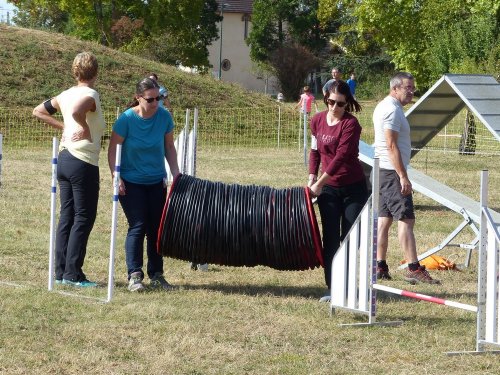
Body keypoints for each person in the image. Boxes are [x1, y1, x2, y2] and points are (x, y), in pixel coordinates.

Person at [32, 51, 105, 287]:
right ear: (95, 72)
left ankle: (60, 272)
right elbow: (77, 110)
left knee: (67, 216)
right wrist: (80, 124)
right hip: (82, 161)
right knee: (83, 217)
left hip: (64, 158)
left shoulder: (65, 94)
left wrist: (63, 126)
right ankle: (74, 274)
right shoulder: (91, 93)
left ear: (75, 72)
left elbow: (38, 110)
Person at [108, 77, 180, 292]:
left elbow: (169, 146)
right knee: (138, 225)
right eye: (150, 99)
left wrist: (175, 173)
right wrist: (116, 175)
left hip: (157, 181)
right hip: (130, 182)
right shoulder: (126, 119)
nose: (155, 103)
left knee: (156, 228)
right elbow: (113, 149)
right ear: (138, 98)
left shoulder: (164, 117)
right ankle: (134, 275)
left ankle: (157, 274)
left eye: (158, 98)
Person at [373, 72, 440, 285]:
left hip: (383, 170)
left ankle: (379, 266)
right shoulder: (392, 110)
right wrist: (403, 176)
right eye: (407, 88)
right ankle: (413, 268)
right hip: (392, 172)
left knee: (385, 219)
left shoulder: (386, 106)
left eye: (412, 87)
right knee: (406, 219)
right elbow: (391, 144)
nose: (411, 91)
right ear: (395, 88)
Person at [308, 80, 368, 302]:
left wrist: (319, 182)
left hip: (353, 188)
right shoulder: (316, 120)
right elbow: (315, 152)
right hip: (329, 191)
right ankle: (333, 288)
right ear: (326, 99)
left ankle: (349, 286)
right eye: (331, 102)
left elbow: (341, 159)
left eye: (340, 104)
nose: (334, 107)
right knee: (330, 238)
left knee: (350, 238)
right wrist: (312, 177)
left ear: (347, 104)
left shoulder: (351, 125)